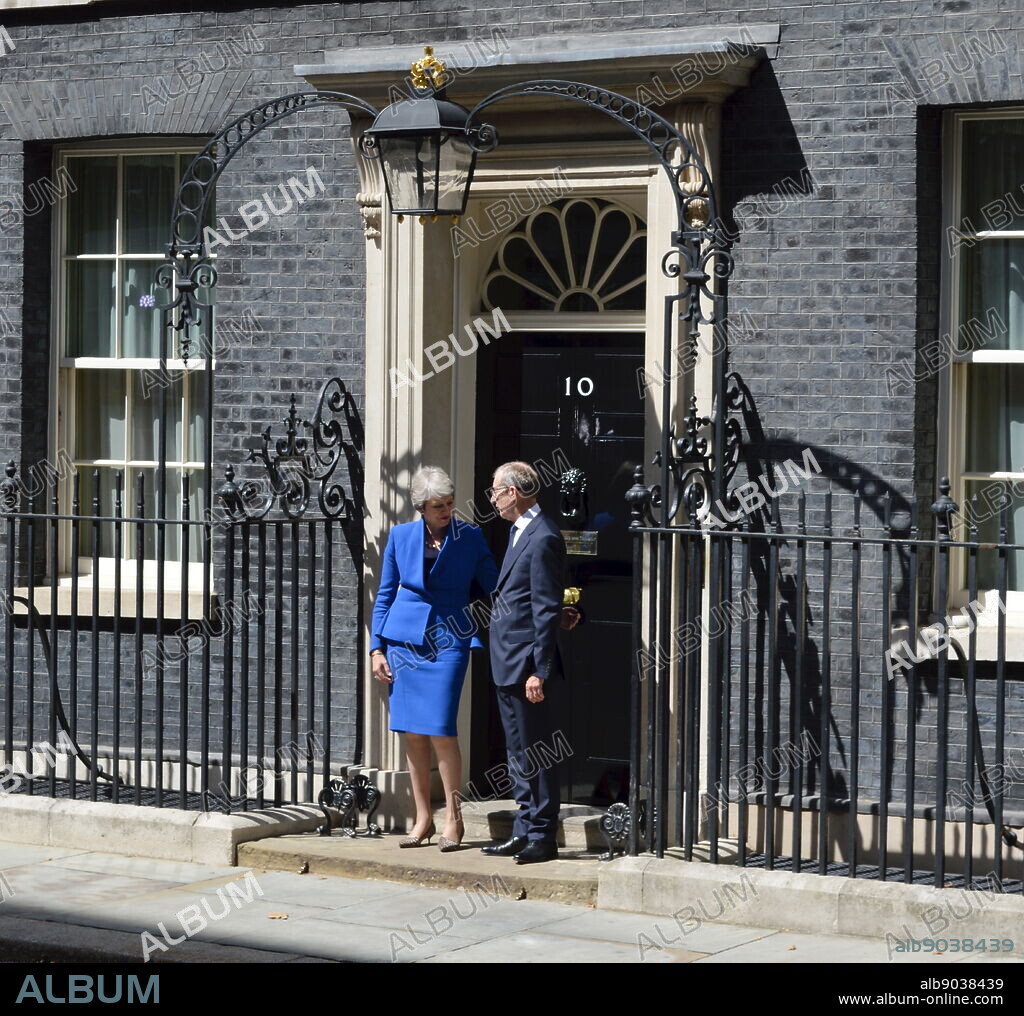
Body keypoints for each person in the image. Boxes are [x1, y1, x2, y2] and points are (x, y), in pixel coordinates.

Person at [370, 466, 498, 851]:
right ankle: (422, 818)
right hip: (403, 642)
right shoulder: (401, 536)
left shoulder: (470, 537)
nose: (446, 511)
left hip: (450, 641)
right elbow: (385, 593)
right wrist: (377, 648)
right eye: (437, 506)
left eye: (449, 503)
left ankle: (453, 818)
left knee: (442, 729)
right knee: (412, 732)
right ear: (421, 507)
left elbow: (497, 584)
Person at [481, 460, 567, 865]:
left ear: (513, 493)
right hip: (506, 660)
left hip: (525, 665)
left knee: (537, 750)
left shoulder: (543, 536)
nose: (493, 498)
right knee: (518, 751)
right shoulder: (520, 532)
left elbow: (546, 609)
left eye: (495, 491)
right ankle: (524, 826)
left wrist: (540, 670)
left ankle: (543, 835)